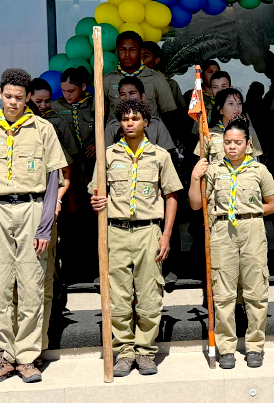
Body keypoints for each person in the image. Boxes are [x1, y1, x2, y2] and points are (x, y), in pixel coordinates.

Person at [0, 68, 67, 383]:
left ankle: (28, 357)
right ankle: (4, 356)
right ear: (0, 94)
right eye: (8, 96)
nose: (13, 102)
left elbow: (53, 180)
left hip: (33, 209)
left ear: (28, 97)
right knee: (1, 285)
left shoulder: (43, 129)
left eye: (19, 97)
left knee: (32, 286)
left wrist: (44, 227)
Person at [89, 99, 182, 376]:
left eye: (135, 118)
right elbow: (97, 193)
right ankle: (124, 352)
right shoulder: (108, 156)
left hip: (148, 232)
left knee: (149, 295)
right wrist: (97, 202)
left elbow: (171, 196)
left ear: (146, 122)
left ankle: (145, 352)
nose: (130, 123)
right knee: (118, 296)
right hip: (116, 232)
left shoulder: (159, 156)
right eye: (125, 119)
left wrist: (166, 236)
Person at [189, 115, 274, 369]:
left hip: (252, 229)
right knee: (223, 294)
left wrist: (249, 210)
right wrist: (195, 177)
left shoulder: (259, 171)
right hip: (222, 231)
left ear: (248, 144)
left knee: (256, 292)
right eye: (227, 142)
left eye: (237, 142)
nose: (231, 147)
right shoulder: (213, 171)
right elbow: (195, 204)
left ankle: (255, 346)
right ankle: (226, 348)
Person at [27, 79, 76, 354]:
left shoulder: (48, 130)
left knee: (50, 269)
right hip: (20, 213)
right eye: (38, 102)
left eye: (47, 101)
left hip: (47, 212)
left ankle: (51, 322)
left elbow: (66, 170)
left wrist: (57, 200)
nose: (43, 107)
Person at [51, 67, 98, 284]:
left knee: (92, 218)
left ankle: (93, 269)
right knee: (70, 219)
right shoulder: (55, 107)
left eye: (71, 91)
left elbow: (107, 127)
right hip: (68, 167)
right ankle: (70, 270)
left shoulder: (95, 104)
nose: (67, 95)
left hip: (91, 167)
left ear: (83, 87)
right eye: (63, 91)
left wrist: (98, 143)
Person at [103, 31, 176, 119]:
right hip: (115, 128)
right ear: (117, 51)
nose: (127, 54)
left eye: (132, 49)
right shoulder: (107, 80)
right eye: (123, 49)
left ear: (140, 51)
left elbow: (169, 116)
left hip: (148, 128)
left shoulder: (157, 79)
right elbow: (100, 115)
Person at [104, 76, 175, 151]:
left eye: (132, 93)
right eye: (122, 94)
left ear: (143, 97)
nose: (127, 98)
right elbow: (106, 155)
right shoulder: (112, 127)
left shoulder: (156, 125)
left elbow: (168, 154)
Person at [193, 87, 263, 164]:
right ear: (220, 109)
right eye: (231, 104)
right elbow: (201, 163)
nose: (237, 108)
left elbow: (256, 161)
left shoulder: (249, 131)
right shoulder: (209, 133)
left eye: (239, 103)